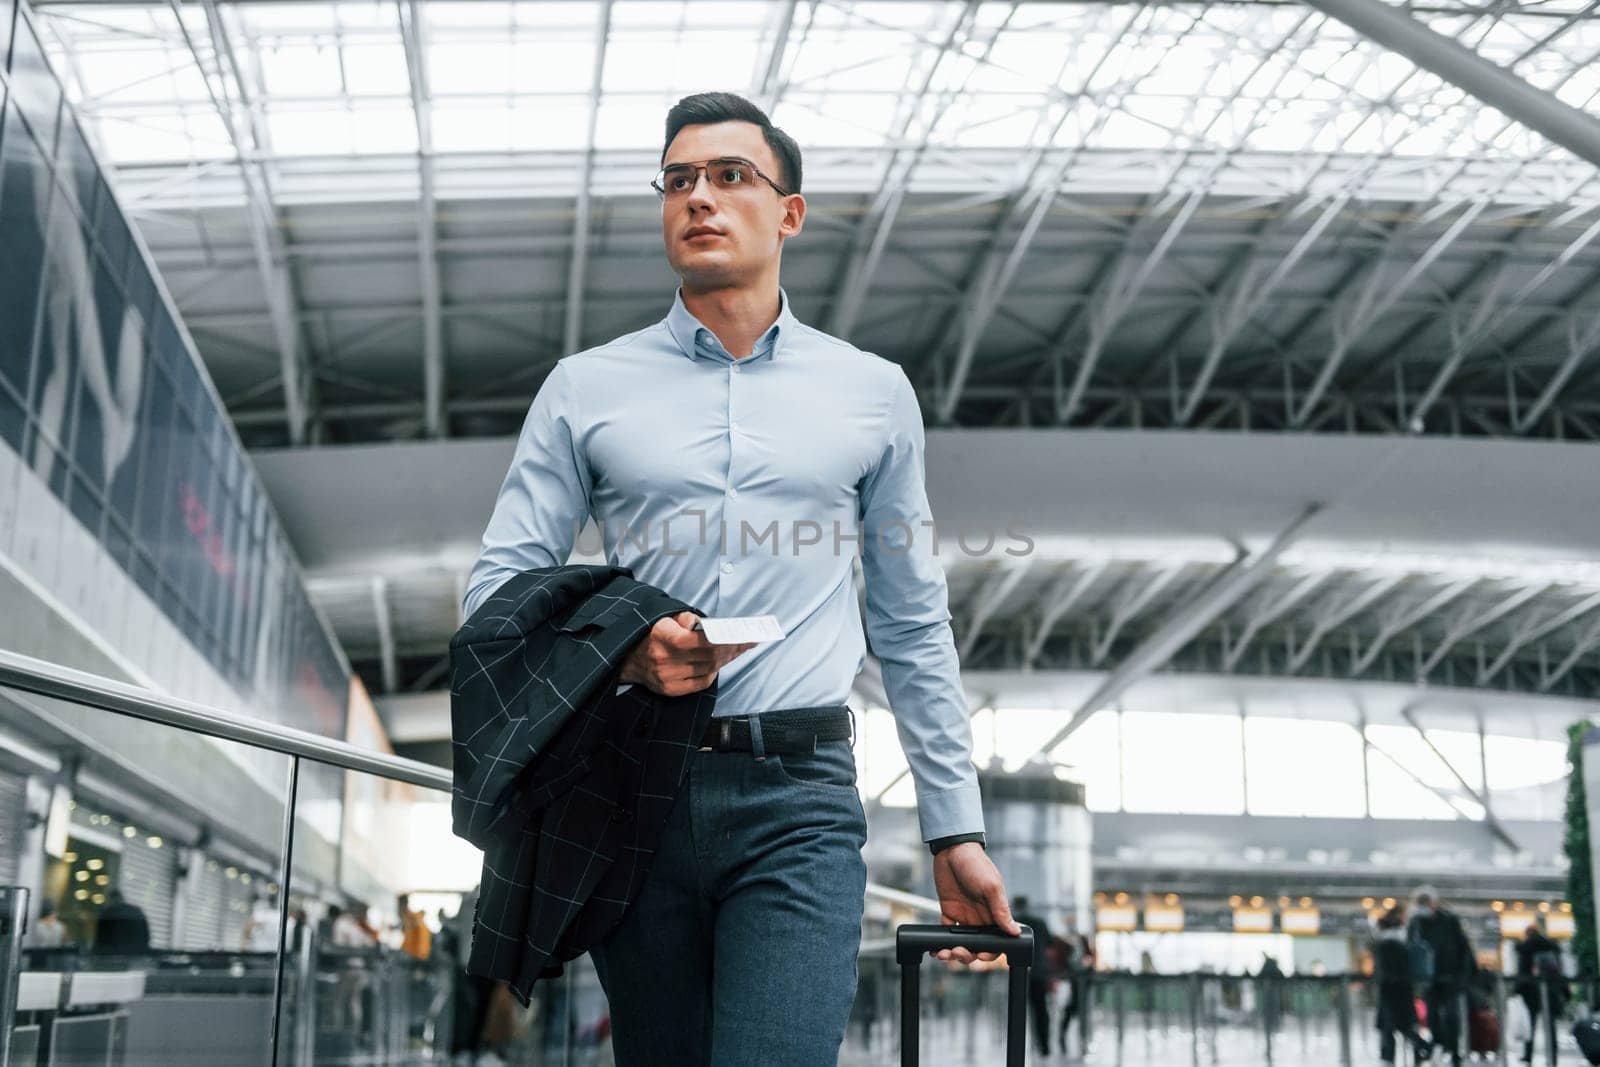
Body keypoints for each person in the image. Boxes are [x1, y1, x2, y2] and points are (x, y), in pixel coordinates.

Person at [462, 91, 1016, 1065]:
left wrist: (952, 823)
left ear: (789, 212)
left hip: (797, 792)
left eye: (729, 176)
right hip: (638, 780)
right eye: (678, 180)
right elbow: (497, 592)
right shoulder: (585, 387)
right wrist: (623, 652)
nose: (698, 198)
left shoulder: (872, 393)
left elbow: (911, 619)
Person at [1410, 885, 1474, 1067]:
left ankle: (1453, 1051)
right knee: (1432, 1017)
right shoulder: (1415, 923)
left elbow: (1463, 948)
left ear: (1433, 903)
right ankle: (1439, 1046)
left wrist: (1464, 974)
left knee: (1452, 1016)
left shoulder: (1450, 920)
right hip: (1429, 979)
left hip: (1451, 976)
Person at [1372, 904, 1429, 1064]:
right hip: (1401, 988)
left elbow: (1383, 968)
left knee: (1390, 1028)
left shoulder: (1383, 941)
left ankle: (1389, 1058)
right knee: (1405, 1026)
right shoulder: (1402, 939)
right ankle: (1423, 1049)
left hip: (1389, 989)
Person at [1514, 915, 1567, 1064]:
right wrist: (1564, 991)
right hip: (1550, 991)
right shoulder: (1550, 945)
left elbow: (1522, 970)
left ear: (1527, 933)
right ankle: (1553, 1056)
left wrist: (1518, 990)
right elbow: (1558, 969)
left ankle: (1528, 1055)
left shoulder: (1525, 947)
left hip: (1530, 991)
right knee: (1550, 1027)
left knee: (1529, 1025)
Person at [1011, 896, 1055, 1056]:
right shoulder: (1039, 923)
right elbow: (1050, 944)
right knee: (1041, 1010)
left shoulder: (1011, 922)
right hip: (1038, 972)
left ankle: (1017, 1048)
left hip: (1016, 973)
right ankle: (1044, 1046)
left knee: (1016, 1010)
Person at [93, 888, 150, 955]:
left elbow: (100, 940)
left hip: (111, 956)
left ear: (110, 899)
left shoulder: (107, 913)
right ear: (122, 898)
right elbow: (146, 937)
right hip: (137, 954)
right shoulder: (137, 912)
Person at [399, 893, 432, 960]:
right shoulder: (411, 918)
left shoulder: (413, 919)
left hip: (417, 956)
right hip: (418, 954)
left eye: (399, 905)